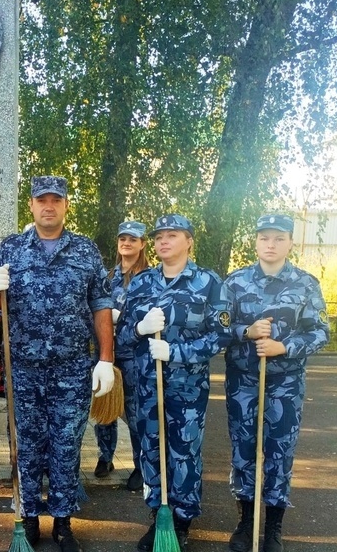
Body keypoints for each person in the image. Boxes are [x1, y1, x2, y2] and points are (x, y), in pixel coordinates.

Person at [0, 175, 115, 552]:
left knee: (66, 446)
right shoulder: (11, 248)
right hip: (23, 369)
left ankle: (63, 522)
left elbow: (101, 304)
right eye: (42, 200)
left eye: (56, 200)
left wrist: (105, 359)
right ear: (32, 205)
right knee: (26, 445)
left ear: (66, 205)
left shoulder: (86, 250)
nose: (49, 206)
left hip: (72, 369)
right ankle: (28, 519)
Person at [115, 214, 232, 552]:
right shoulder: (141, 283)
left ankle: (182, 520)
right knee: (150, 451)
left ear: (189, 240)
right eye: (159, 236)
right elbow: (123, 335)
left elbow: (221, 336)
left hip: (187, 388)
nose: (163, 241)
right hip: (147, 386)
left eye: (172, 235)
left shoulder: (208, 283)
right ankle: (159, 514)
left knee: (184, 454)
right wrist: (139, 328)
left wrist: (176, 351)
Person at [223, 214, 329, 552]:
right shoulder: (235, 282)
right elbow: (218, 327)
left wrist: (285, 346)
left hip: (285, 385)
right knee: (244, 450)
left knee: (280, 452)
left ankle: (273, 526)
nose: (271, 244)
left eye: (279, 238)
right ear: (255, 241)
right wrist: (246, 331)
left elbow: (320, 332)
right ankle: (246, 521)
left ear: (290, 243)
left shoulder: (305, 283)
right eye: (265, 237)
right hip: (243, 382)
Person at [92, 221, 150, 492]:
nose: (126, 243)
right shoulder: (108, 276)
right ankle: (106, 456)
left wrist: (122, 318)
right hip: (107, 353)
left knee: (135, 412)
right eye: (122, 238)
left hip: (134, 355)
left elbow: (151, 315)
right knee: (105, 408)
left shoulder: (149, 278)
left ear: (142, 244)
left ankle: (141, 465)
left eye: (133, 239)